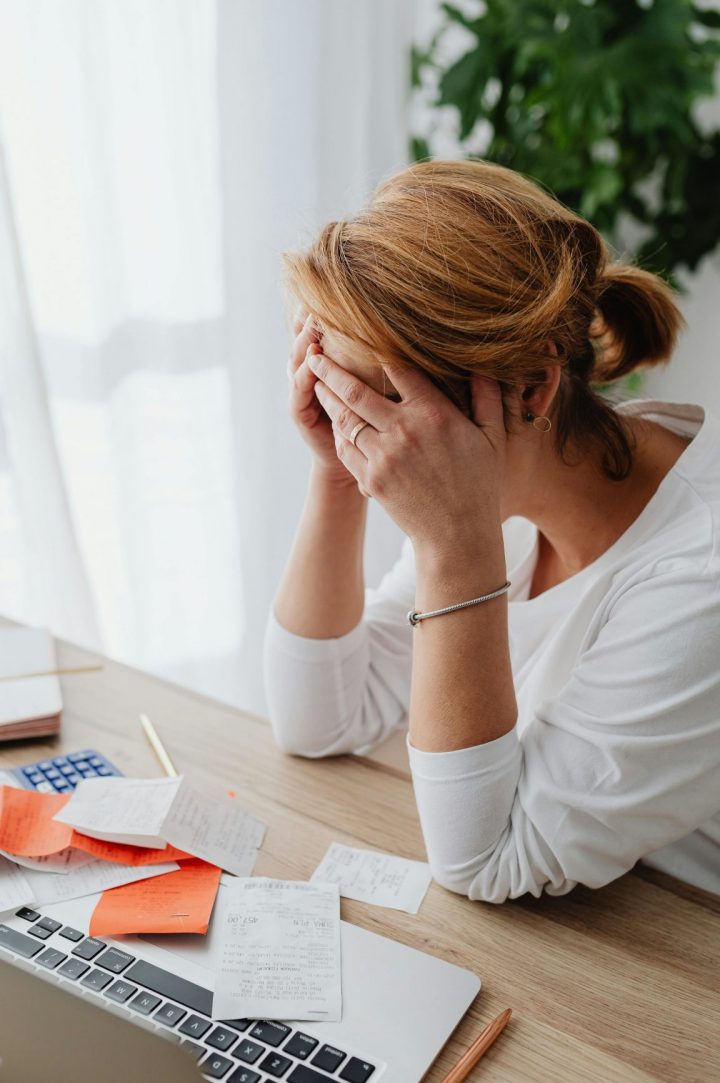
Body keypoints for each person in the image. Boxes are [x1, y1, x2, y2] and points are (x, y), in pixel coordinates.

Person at [263, 159, 720, 902]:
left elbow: (484, 862)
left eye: (373, 406)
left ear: (532, 389)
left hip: (680, 961)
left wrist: (453, 548)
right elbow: (319, 718)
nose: (362, 440)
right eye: (332, 390)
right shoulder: (514, 488)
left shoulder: (700, 570)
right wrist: (334, 474)